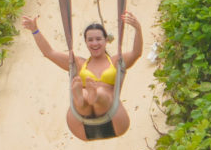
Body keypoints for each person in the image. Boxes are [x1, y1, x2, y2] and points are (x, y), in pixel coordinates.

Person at [21, 12, 143, 140]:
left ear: (106, 40)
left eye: (98, 39)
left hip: (111, 115)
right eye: (90, 40)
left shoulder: (116, 61)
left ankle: (93, 95)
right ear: (85, 42)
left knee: (101, 92)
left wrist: (138, 29)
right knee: (84, 95)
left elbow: (136, 53)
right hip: (82, 122)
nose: (94, 43)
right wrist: (35, 30)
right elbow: (49, 53)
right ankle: (82, 98)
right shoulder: (78, 63)